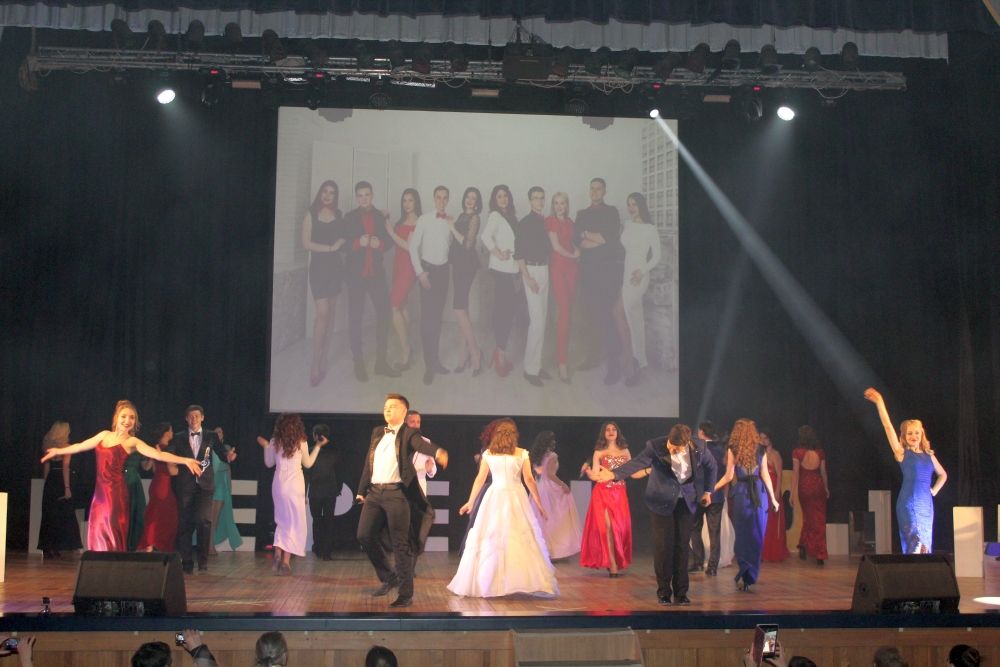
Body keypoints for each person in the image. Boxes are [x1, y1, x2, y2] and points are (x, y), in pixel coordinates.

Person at [40, 401, 202, 552]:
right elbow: (80, 446)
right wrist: (58, 451)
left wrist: (185, 460)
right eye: (124, 416)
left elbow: (158, 455)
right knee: (98, 531)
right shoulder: (104, 435)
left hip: (116, 494)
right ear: (116, 417)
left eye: (132, 417)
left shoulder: (132, 442)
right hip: (100, 495)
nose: (127, 420)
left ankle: (115, 565)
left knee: (113, 532)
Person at [597, 423, 718, 605]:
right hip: (660, 501)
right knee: (663, 547)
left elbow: (712, 466)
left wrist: (708, 491)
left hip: (685, 502)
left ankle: (681, 593)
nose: (671, 450)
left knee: (682, 546)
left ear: (686, 444)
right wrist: (614, 475)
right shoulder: (656, 446)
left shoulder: (699, 447)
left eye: (676, 449)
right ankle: (663, 593)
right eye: (670, 445)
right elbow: (637, 462)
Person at [356, 394, 449, 608]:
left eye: (392, 406)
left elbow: (421, 446)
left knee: (400, 544)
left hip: (397, 494)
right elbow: (369, 463)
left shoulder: (409, 433)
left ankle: (405, 594)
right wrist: (361, 490)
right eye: (386, 406)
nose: (387, 409)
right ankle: (389, 577)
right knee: (364, 535)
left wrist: (438, 451)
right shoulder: (377, 432)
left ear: (403, 411)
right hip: (375, 493)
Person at [448, 418, 558, 597]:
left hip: (495, 496)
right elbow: (529, 479)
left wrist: (471, 501)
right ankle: (516, 582)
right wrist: (538, 502)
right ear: (514, 434)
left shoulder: (489, 454)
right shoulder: (521, 453)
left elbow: (480, 479)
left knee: (496, 537)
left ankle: (494, 583)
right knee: (515, 537)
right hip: (515, 497)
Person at [865, 388, 947, 554]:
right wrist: (880, 402)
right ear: (904, 435)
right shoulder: (902, 453)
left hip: (926, 504)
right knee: (916, 540)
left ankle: (920, 569)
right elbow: (888, 427)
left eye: (917, 433)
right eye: (909, 433)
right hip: (910, 502)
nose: (913, 436)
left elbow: (943, 474)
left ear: (921, 434)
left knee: (924, 546)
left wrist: (934, 490)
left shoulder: (929, 456)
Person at [573, 178, 633, 385]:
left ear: (604, 191)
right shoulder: (582, 214)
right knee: (590, 316)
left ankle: (613, 365)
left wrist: (588, 235)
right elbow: (577, 241)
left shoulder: (612, 212)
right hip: (587, 272)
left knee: (608, 318)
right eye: (592, 188)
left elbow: (609, 238)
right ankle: (593, 357)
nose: (595, 191)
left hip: (607, 273)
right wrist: (597, 239)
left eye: (598, 189)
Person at [343, 181, 402, 382]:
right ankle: (358, 362)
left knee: (384, 313)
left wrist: (381, 244)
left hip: (376, 274)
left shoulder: (382, 216)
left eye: (367, 194)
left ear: (372, 194)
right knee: (355, 317)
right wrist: (357, 242)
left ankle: (381, 362)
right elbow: (343, 244)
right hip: (355, 275)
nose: (364, 198)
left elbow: (390, 241)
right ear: (356, 197)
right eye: (360, 195)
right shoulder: (349, 217)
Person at [714, 419, 779, 591]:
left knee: (743, 534)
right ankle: (751, 574)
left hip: (742, 493)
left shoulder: (733, 449)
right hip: (759, 493)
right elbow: (765, 475)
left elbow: (728, 477)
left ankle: (745, 571)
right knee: (757, 534)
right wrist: (773, 498)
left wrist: (712, 489)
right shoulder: (761, 450)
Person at [170, 405, 235, 573]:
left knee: (202, 521)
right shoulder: (178, 437)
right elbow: (170, 454)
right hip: (185, 486)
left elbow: (221, 452)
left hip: (205, 486)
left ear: (202, 418)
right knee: (185, 523)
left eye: (197, 416)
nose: (194, 419)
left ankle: (203, 561)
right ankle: (186, 562)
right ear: (186, 419)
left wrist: (228, 456)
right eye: (191, 416)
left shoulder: (211, 435)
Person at [257, 412, 323, 574]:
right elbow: (308, 464)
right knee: (294, 522)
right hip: (295, 485)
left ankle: (277, 554)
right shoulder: (301, 442)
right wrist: (318, 447)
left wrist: (266, 446)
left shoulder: (275, 441)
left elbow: (269, 463)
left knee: (281, 521)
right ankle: (286, 561)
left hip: (279, 484)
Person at [301, 180, 346, 387]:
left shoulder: (339, 214)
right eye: (325, 191)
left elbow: (345, 239)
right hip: (319, 268)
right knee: (322, 313)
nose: (328, 195)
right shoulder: (310, 213)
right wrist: (330, 248)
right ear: (320, 193)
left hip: (335, 268)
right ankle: (314, 363)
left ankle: (324, 358)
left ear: (335, 196)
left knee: (331, 312)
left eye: (332, 192)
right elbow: (306, 243)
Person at [580, 422, 638, 577]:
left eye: (613, 429)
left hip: (620, 494)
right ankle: (612, 564)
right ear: (603, 434)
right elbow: (595, 475)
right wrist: (589, 472)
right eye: (607, 430)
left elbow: (632, 472)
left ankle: (616, 559)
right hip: (603, 493)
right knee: (607, 527)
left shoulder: (625, 451)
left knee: (619, 528)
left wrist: (649, 470)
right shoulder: (599, 451)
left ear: (618, 432)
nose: (611, 432)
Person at [409, 186, 454, 385]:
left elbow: (449, 247)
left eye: (445, 198)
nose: (442, 201)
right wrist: (420, 272)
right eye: (438, 197)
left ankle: (435, 361)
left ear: (448, 200)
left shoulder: (449, 222)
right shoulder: (424, 219)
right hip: (427, 272)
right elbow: (413, 246)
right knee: (427, 320)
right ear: (433, 198)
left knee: (437, 318)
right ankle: (428, 366)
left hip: (443, 272)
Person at [619, 193, 661, 385]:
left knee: (621, 313)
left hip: (639, 277)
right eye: (629, 204)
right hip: (626, 274)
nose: (631, 208)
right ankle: (640, 363)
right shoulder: (627, 224)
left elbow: (657, 256)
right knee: (635, 319)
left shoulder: (650, 229)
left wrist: (642, 271)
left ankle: (632, 364)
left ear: (641, 206)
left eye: (634, 204)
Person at [514, 187, 552, 386]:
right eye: (535, 198)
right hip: (531, 271)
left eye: (541, 198)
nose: (539, 201)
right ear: (529, 201)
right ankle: (529, 370)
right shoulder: (524, 223)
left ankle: (536, 365)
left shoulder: (546, 222)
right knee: (536, 321)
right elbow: (519, 253)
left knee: (542, 320)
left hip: (544, 269)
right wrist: (527, 278)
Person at [479, 185, 519, 376]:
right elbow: (485, 236)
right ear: (494, 200)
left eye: (505, 196)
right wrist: (498, 253)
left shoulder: (510, 216)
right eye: (499, 196)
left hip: (508, 268)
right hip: (500, 268)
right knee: (506, 309)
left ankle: (499, 351)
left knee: (504, 309)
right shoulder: (495, 215)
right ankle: (500, 354)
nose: (503, 199)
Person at [447, 187, 485, 375]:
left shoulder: (474, 218)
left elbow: (468, 244)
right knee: (463, 308)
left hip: (467, 264)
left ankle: (475, 352)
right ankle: (464, 355)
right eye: (468, 197)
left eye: (473, 198)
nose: (470, 200)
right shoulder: (462, 216)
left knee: (458, 308)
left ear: (477, 203)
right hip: (457, 263)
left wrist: (452, 227)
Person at [528, 430, 582, 559]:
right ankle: (550, 550)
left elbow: (536, 474)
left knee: (538, 518)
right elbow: (550, 475)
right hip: (547, 488)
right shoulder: (552, 456)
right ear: (549, 442)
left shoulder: (535, 456)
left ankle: (538, 550)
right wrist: (563, 485)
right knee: (551, 519)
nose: (555, 442)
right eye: (553, 439)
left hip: (537, 487)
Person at [384, 188, 422, 371]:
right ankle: (408, 346)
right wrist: (386, 218)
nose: (407, 204)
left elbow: (409, 246)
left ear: (416, 202)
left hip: (409, 268)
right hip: (397, 267)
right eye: (404, 200)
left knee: (393, 306)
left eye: (410, 200)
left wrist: (392, 232)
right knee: (402, 306)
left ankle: (406, 351)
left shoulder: (419, 221)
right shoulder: (401, 221)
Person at [545, 192, 579, 384]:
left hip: (572, 270)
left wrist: (577, 251)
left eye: (562, 203)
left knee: (569, 314)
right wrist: (573, 255)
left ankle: (563, 357)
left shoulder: (570, 222)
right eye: (556, 203)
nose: (559, 206)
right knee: (564, 312)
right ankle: (562, 362)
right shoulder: (551, 221)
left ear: (567, 205)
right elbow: (557, 247)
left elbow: (572, 242)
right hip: (558, 268)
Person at [37, 421, 82, 558]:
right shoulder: (66, 447)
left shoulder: (48, 446)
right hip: (61, 481)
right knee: (62, 515)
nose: (69, 432)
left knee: (49, 515)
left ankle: (49, 547)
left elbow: (46, 468)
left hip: (51, 481)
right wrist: (67, 488)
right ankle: (56, 546)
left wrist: (47, 484)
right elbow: (65, 468)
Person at [458, 419, 502, 557]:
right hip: (490, 488)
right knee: (484, 521)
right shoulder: (487, 451)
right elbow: (481, 476)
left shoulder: (515, 452)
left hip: (507, 489)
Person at [690, 420, 727, 575]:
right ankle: (712, 566)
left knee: (695, 528)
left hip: (697, 495)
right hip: (716, 495)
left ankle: (698, 562)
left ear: (701, 432)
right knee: (714, 531)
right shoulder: (721, 451)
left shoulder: (696, 450)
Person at [403, 409, 437, 573]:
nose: (416, 425)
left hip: (419, 489)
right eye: (413, 422)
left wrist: (429, 469)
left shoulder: (426, 443)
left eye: (418, 422)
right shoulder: (399, 442)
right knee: (401, 529)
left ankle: (411, 568)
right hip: (401, 489)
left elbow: (433, 470)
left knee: (416, 528)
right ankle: (401, 566)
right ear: (405, 423)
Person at [137, 422, 179, 552]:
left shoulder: (155, 449)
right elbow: (172, 471)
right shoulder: (168, 449)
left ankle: (150, 544)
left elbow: (150, 468)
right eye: (171, 430)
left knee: (154, 515)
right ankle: (157, 544)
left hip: (155, 484)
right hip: (164, 486)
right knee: (169, 517)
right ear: (166, 433)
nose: (172, 433)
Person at [790, 426, 829, 564]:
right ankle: (819, 553)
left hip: (804, 488)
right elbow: (823, 472)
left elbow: (795, 473)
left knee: (808, 518)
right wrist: (826, 487)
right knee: (819, 519)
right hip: (818, 486)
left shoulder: (797, 452)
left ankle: (803, 545)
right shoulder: (820, 452)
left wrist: (792, 493)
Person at [306, 423, 339, 561]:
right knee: (329, 521)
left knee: (317, 520)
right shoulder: (334, 450)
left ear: (315, 435)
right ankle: (327, 551)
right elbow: (339, 470)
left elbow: (306, 472)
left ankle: (318, 548)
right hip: (330, 491)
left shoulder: (310, 451)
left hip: (315, 491)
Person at [760, 427, 791, 562]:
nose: (763, 441)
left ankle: (773, 550)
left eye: (765, 438)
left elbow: (779, 475)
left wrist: (777, 493)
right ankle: (763, 550)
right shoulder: (759, 453)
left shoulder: (775, 454)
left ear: (770, 439)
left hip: (772, 489)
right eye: (761, 438)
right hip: (762, 489)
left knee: (772, 520)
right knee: (763, 520)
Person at [208, 437, 242, 554]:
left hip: (221, 482)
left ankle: (210, 543)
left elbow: (228, 467)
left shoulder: (226, 448)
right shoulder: (208, 447)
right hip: (211, 482)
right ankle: (209, 545)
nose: (218, 433)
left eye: (220, 432)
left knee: (217, 516)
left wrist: (229, 484)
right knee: (211, 516)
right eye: (216, 431)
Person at [123, 446, 147, 551]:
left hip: (135, 479)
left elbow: (146, 467)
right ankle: (124, 542)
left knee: (137, 510)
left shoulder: (138, 447)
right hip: (124, 478)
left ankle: (134, 542)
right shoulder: (121, 447)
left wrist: (151, 458)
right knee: (126, 509)